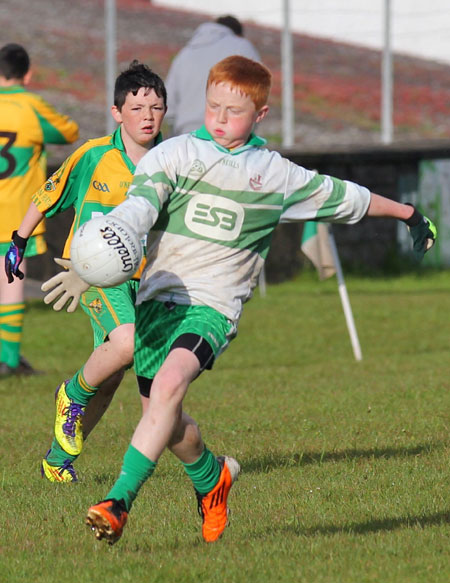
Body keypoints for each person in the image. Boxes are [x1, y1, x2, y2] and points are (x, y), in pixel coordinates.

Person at [36, 56, 437, 545]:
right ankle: (213, 478)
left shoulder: (275, 175)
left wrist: (410, 214)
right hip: (159, 302)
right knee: (166, 419)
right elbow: (139, 207)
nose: (221, 119)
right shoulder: (176, 154)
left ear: (261, 114)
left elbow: (348, 198)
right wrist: (97, 257)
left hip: (211, 309)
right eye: (212, 106)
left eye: (235, 111)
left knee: (166, 390)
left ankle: (118, 503)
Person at [5, 60, 167, 483]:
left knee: (112, 376)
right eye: (136, 108)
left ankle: (57, 460)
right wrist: (18, 243)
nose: (147, 116)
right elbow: (47, 194)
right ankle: (70, 393)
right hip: (94, 275)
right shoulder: (94, 154)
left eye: (155, 107)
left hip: (147, 283)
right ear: (117, 113)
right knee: (127, 344)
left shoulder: (172, 162)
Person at [0, 43, 79, 377]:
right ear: (27, 74)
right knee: (10, 282)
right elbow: (68, 132)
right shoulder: (30, 106)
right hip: (17, 213)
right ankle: (9, 359)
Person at [164, 14, 260, 136]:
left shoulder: (185, 53)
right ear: (238, 34)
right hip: (228, 133)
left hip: (187, 134)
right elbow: (258, 92)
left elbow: (169, 103)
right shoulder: (242, 47)